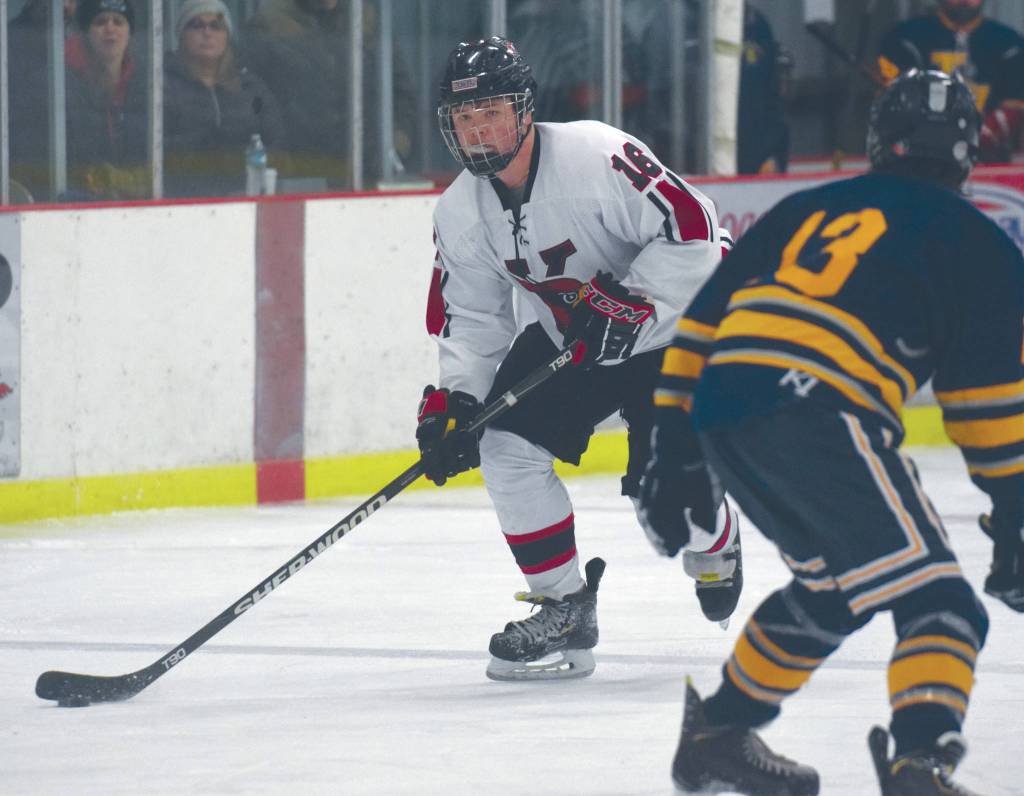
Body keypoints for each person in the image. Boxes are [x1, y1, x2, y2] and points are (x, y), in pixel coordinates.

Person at [639, 69, 1023, 795]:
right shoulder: (985, 245)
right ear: (969, 152)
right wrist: (1016, 515)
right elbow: (986, 408)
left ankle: (717, 736)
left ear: (880, 140)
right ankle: (921, 760)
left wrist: (676, 448)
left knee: (835, 590)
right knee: (942, 604)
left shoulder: (809, 206)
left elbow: (699, 329)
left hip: (727, 403)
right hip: (821, 412)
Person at [418, 36, 743, 683]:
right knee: (504, 448)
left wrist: (636, 300)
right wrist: (460, 402)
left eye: (491, 112)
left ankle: (718, 539)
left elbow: (700, 233)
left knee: (672, 510)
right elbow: (475, 317)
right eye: (465, 117)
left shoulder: (598, 156)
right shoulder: (460, 211)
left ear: (524, 111)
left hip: (668, 335)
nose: (479, 129)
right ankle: (564, 605)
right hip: (573, 343)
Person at [241, 0, 415, 189]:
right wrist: (275, 156)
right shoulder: (271, 24)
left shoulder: (366, 21)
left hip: (366, 171)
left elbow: (401, 91)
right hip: (299, 173)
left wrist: (396, 143)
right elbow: (251, 96)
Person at [163, 0, 286, 198]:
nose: (207, 32)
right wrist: (203, 142)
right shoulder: (161, 84)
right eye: (196, 25)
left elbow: (277, 141)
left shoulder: (250, 87)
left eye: (216, 26)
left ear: (227, 35)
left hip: (245, 197)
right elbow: (151, 148)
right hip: (181, 202)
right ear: (181, 34)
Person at [877, 0, 1024, 163]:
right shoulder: (905, 37)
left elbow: (1014, 110)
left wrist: (976, 135)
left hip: (990, 163)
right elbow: (893, 107)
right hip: (919, 161)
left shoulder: (1010, 42)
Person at [64, 0, 148, 200]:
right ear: (86, 33)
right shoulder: (62, 82)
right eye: (100, 22)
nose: (110, 28)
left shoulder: (146, 83)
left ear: (129, 33)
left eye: (118, 22)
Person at [736, 2, 791, 175]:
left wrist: (772, 153)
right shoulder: (683, 20)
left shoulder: (757, 24)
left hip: (756, 155)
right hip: (698, 161)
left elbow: (772, 99)